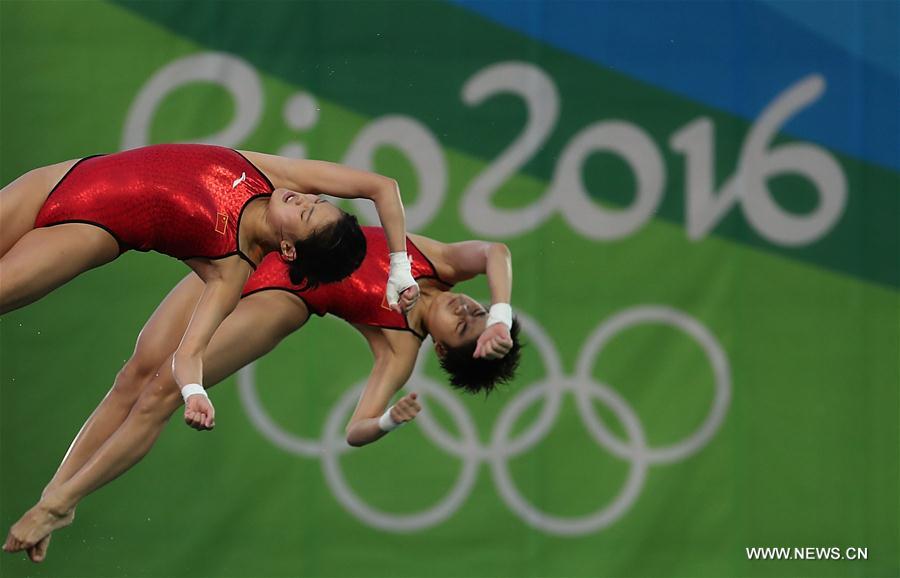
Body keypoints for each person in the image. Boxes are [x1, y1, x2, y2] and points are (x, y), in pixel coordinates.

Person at [3, 227, 521, 562]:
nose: (466, 312)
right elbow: (496, 250)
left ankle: (61, 503)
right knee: (133, 375)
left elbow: (354, 429)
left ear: (442, 353)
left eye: (465, 329)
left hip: (282, 300)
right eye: (476, 310)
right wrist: (501, 314)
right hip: (254, 255)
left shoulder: (401, 349)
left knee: (163, 390)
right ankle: (58, 491)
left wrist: (388, 420)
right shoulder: (442, 262)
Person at [0, 144, 420, 433]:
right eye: (317, 200)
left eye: (308, 214)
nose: (304, 200)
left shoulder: (231, 268)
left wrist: (194, 392)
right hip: (59, 179)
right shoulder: (272, 174)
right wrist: (401, 266)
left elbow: (189, 353)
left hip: (88, 231)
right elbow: (382, 187)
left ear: (289, 248)